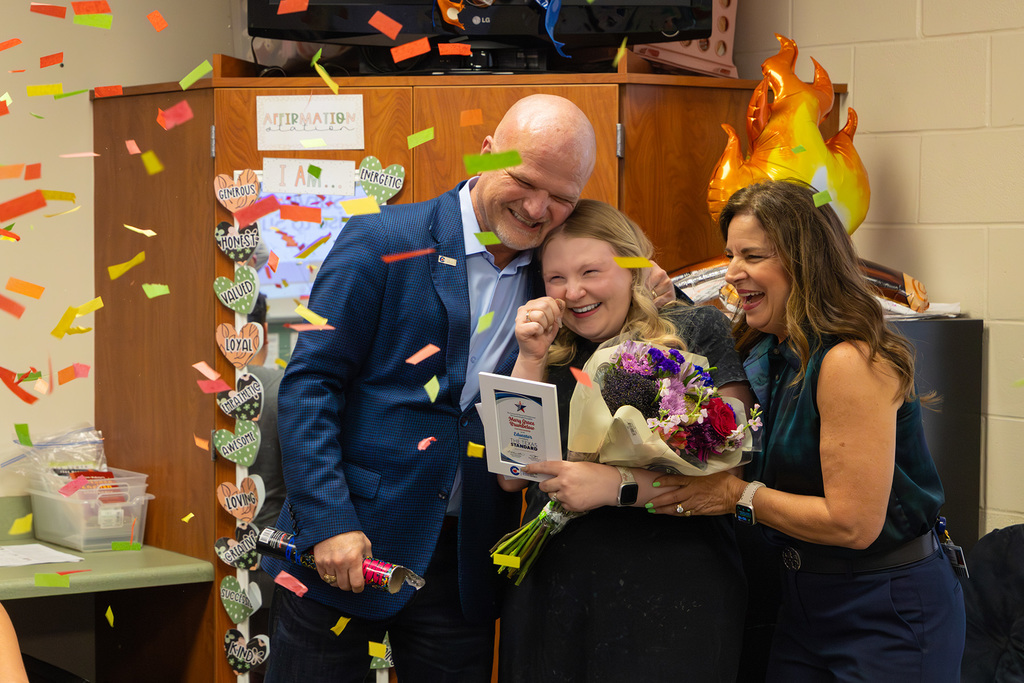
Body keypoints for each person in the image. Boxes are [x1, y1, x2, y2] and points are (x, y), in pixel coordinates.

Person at [262, 95, 675, 682]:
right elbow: (309, 386)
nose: (538, 209)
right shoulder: (381, 239)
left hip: (465, 561)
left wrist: (645, 274)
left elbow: (608, 280)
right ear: (486, 154)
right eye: (525, 180)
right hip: (348, 546)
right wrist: (328, 522)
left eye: (561, 197)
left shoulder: (552, 270)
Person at [649, 179, 966, 681]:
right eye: (731, 255)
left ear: (803, 261)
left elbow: (852, 524)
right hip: (803, 599)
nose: (732, 274)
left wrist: (736, 493)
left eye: (751, 255)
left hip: (885, 607)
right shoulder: (771, 352)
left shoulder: (849, 360)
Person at [497, 200, 754, 682]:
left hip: (673, 586)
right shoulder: (550, 351)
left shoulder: (695, 329)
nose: (574, 292)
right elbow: (512, 477)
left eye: (591, 271)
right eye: (556, 279)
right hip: (557, 589)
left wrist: (615, 484)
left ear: (633, 268)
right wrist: (530, 358)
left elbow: (728, 472)